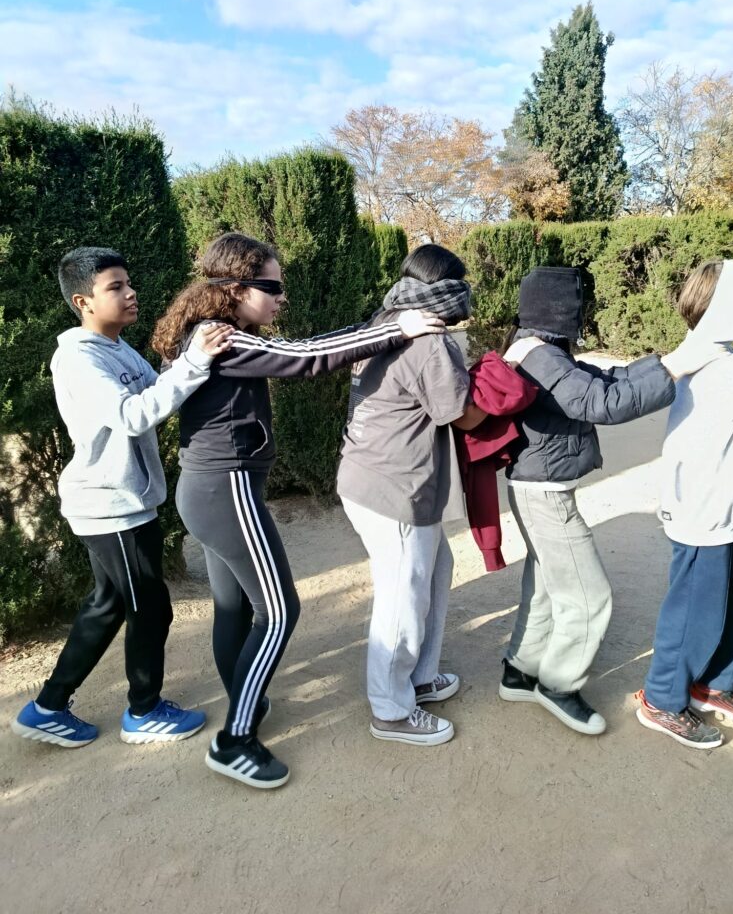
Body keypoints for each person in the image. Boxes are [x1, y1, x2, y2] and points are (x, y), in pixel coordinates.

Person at [151, 232, 445, 788]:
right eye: (272, 287)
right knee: (280, 611)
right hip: (227, 491)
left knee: (234, 608)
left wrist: (374, 327)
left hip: (207, 491)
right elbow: (306, 360)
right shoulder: (224, 340)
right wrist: (396, 329)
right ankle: (235, 741)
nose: (281, 297)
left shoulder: (211, 334)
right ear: (235, 287)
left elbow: (302, 345)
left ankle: (245, 702)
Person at [12, 246, 233, 748]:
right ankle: (144, 711)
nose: (131, 293)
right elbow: (134, 415)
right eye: (115, 287)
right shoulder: (79, 358)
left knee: (108, 603)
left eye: (128, 283)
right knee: (150, 608)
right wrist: (196, 361)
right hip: (111, 506)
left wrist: (193, 359)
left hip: (125, 501)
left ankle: (47, 706)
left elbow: (159, 390)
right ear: (83, 301)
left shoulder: (116, 347)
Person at [499, 266, 680, 736]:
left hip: (537, 486)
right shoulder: (541, 355)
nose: (584, 308)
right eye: (578, 301)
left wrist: (663, 364)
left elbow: (604, 378)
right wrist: (672, 372)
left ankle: (520, 671)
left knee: (545, 584)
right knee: (589, 596)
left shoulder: (540, 348)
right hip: (543, 493)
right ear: (560, 307)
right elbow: (601, 403)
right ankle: (558, 685)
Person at [337, 244, 488, 747]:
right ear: (446, 288)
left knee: (434, 571)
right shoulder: (429, 340)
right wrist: (514, 385)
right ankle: (391, 710)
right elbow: (463, 415)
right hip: (395, 487)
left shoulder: (388, 321)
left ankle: (418, 678)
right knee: (403, 594)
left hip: (369, 475)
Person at [637, 259, 733, 749]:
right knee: (695, 614)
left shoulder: (712, 354)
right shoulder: (724, 371)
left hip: (726, 510)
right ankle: (661, 700)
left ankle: (712, 682)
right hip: (703, 513)